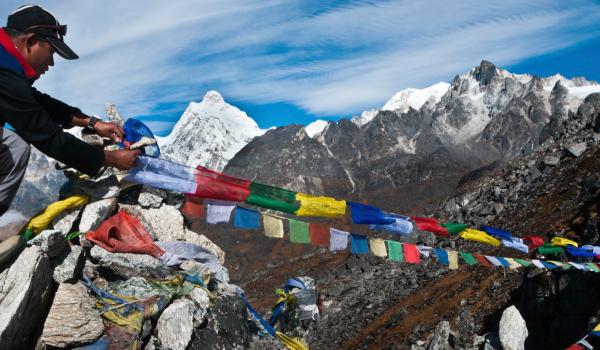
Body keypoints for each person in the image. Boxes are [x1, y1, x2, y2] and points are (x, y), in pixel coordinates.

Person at [0, 5, 141, 216]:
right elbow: (47, 136)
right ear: (30, 42)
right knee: (15, 149)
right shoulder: (3, 71)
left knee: (14, 146)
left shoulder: (6, 65)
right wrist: (112, 159)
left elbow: (33, 101)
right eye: (51, 52)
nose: (52, 63)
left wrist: (91, 122)